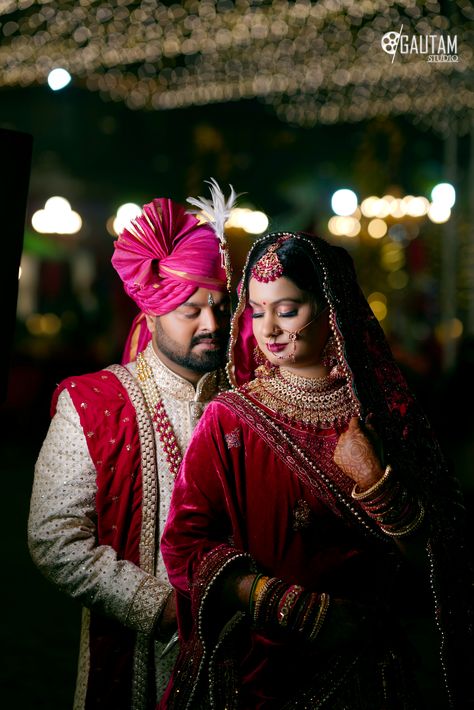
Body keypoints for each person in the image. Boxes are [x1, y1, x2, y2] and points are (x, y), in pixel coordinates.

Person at [159, 231, 474, 708]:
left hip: (369, 674)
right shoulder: (232, 419)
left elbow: (440, 562)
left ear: (330, 308)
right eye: (257, 311)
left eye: (287, 311)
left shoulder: (380, 416)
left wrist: (376, 484)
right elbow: (184, 546)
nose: (268, 329)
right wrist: (290, 606)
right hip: (262, 671)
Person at [27, 187, 235, 710]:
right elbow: (54, 537)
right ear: (154, 309)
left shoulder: (244, 402)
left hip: (243, 657)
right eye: (191, 310)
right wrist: (159, 607)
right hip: (140, 657)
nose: (212, 324)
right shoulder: (94, 404)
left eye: (219, 305)